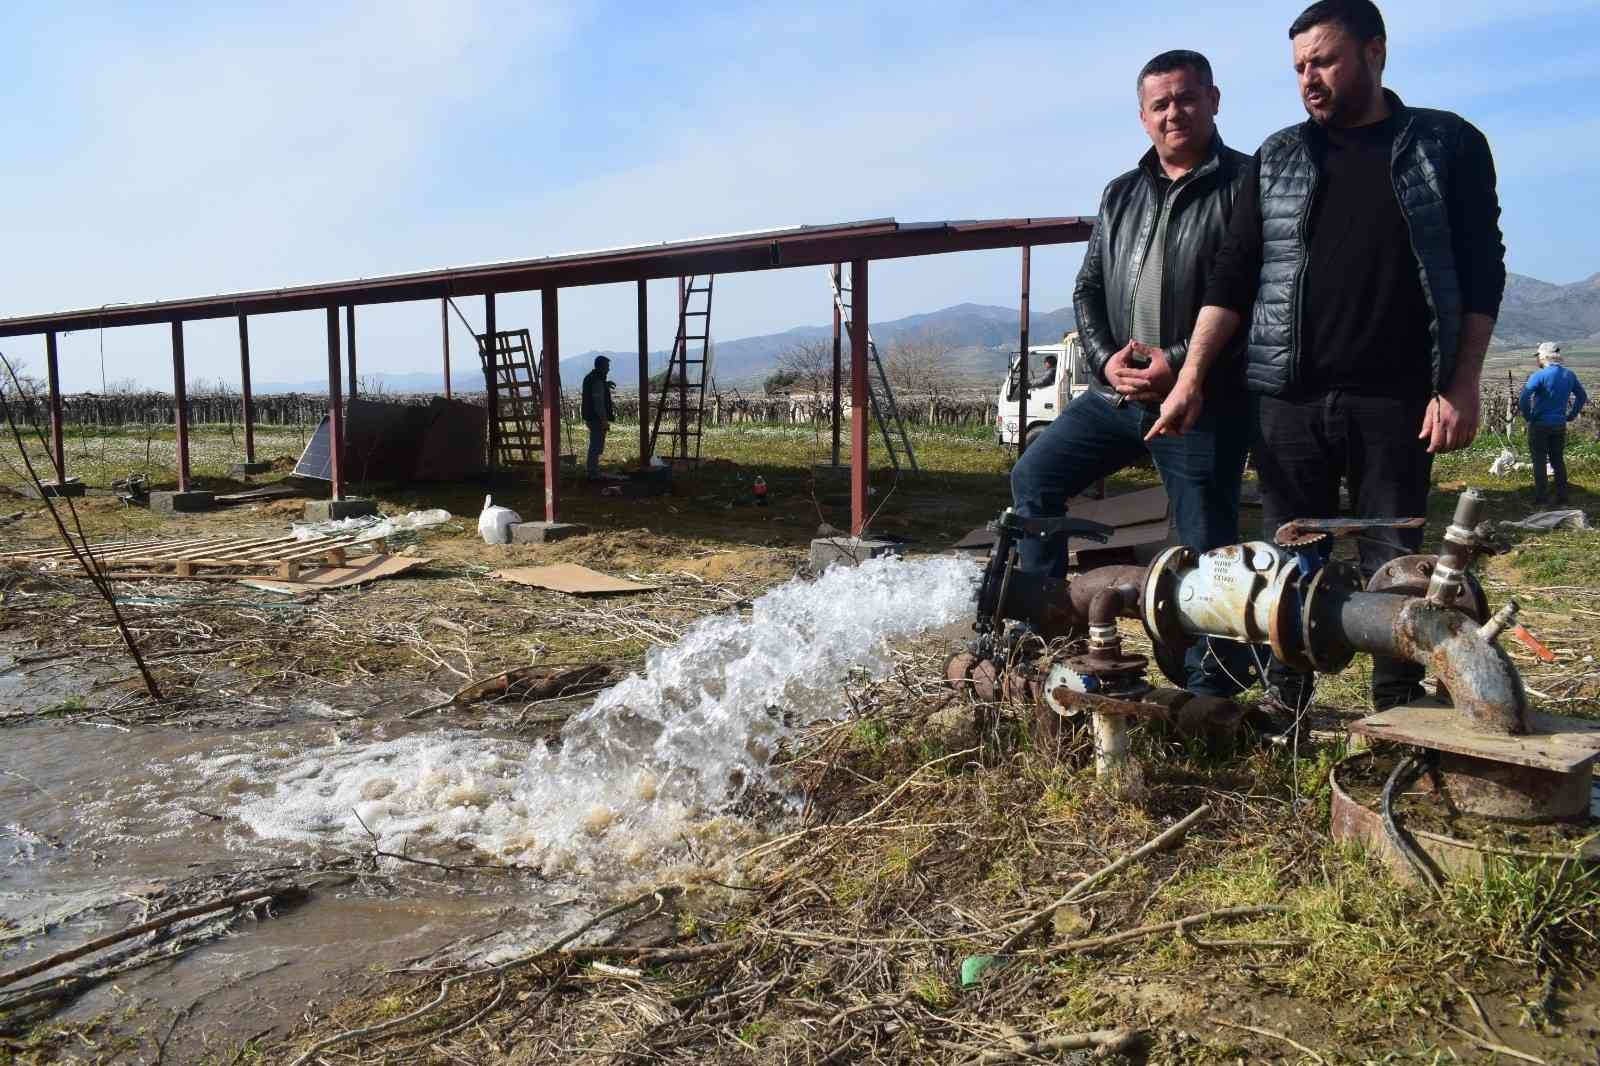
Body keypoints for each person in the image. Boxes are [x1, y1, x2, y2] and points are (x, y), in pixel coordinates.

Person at [1145, 0, 1507, 712]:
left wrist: (1461, 383)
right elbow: (1233, 275)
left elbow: (1480, 271)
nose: (1310, 78)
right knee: (1286, 564)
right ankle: (1290, 709)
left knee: (1394, 568)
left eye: (1325, 60)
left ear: (1376, 52)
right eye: (1300, 67)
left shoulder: (1446, 145)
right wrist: (1188, 380)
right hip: (1286, 398)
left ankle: (1396, 714)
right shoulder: (1279, 157)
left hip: (1396, 398)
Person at [1009, 48, 1254, 697]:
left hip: (1201, 400)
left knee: (1206, 544)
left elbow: (1252, 298)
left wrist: (1176, 358)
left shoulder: (1245, 185)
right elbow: (1089, 286)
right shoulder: (1121, 192)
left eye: (1186, 97)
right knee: (1034, 476)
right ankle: (1054, 632)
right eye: (1160, 104)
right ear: (1143, 117)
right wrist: (1104, 357)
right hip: (1115, 394)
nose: (1174, 112)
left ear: (1214, 99)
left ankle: (1212, 691)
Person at [1520, 342, 1587, 505]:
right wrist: (1571, 415)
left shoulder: (1539, 375)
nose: (1537, 360)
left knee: (1539, 460)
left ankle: (1541, 497)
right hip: (1559, 424)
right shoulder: (1569, 375)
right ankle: (1562, 496)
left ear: (1543, 357)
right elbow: (1582, 396)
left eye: (1538, 357)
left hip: (1540, 424)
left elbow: (1524, 399)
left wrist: (1529, 417)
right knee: (1558, 460)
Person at [580, 355, 615, 479]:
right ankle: (592, 472)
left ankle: (593, 471)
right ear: (602, 367)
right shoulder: (597, 380)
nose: (608, 369)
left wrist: (605, 384)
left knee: (595, 445)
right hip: (596, 418)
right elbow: (598, 402)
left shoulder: (592, 378)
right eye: (607, 366)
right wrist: (604, 420)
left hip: (591, 417)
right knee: (596, 446)